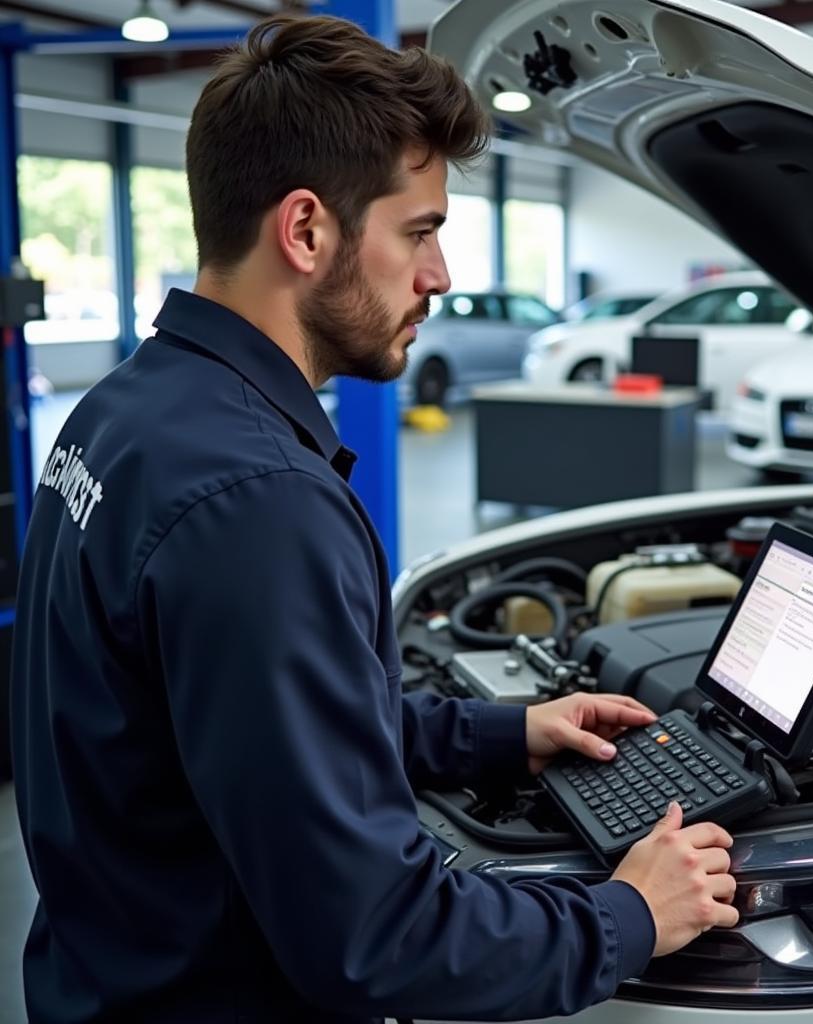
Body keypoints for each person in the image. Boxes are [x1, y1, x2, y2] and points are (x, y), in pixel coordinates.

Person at [11, 13, 738, 1023]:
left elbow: (250, 727)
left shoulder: (129, 410)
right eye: (422, 231)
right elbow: (377, 939)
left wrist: (500, 732)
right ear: (306, 230)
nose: (438, 277)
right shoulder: (257, 502)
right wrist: (626, 912)